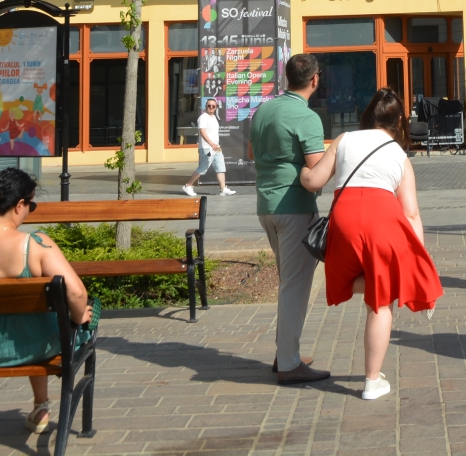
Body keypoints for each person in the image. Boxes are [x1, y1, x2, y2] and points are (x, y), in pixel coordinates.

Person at [299, 88, 442, 401]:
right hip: (383, 221)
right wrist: (418, 258)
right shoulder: (399, 155)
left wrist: (301, 171)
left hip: (345, 221)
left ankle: (385, 286)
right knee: (381, 301)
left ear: (367, 115)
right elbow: (411, 212)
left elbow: (314, 181)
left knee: (352, 280)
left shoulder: (345, 140)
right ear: (400, 121)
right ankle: (371, 381)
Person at [0, 167, 95, 435]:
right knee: (78, 315)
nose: (30, 210)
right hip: (36, 348)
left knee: (26, 320)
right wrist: (79, 318)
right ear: (19, 205)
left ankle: (41, 404)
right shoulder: (36, 244)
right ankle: (42, 405)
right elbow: (76, 293)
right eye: (31, 204)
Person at [250, 52, 330, 383]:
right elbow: (316, 168)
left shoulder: (263, 110)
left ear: (286, 78)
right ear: (315, 79)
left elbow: (254, 153)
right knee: (296, 286)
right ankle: (289, 363)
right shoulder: (306, 117)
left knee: (288, 282)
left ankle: (286, 352)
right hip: (295, 206)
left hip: (266, 205)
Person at [182, 98, 236, 197]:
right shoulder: (203, 117)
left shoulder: (214, 117)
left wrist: (216, 145)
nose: (211, 107)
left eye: (213, 106)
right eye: (209, 105)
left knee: (220, 168)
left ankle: (223, 189)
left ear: (216, 108)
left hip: (216, 148)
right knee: (203, 168)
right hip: (207, 148)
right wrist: (212, 144)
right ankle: (188, 185)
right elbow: (202, 132)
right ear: (205, 107)